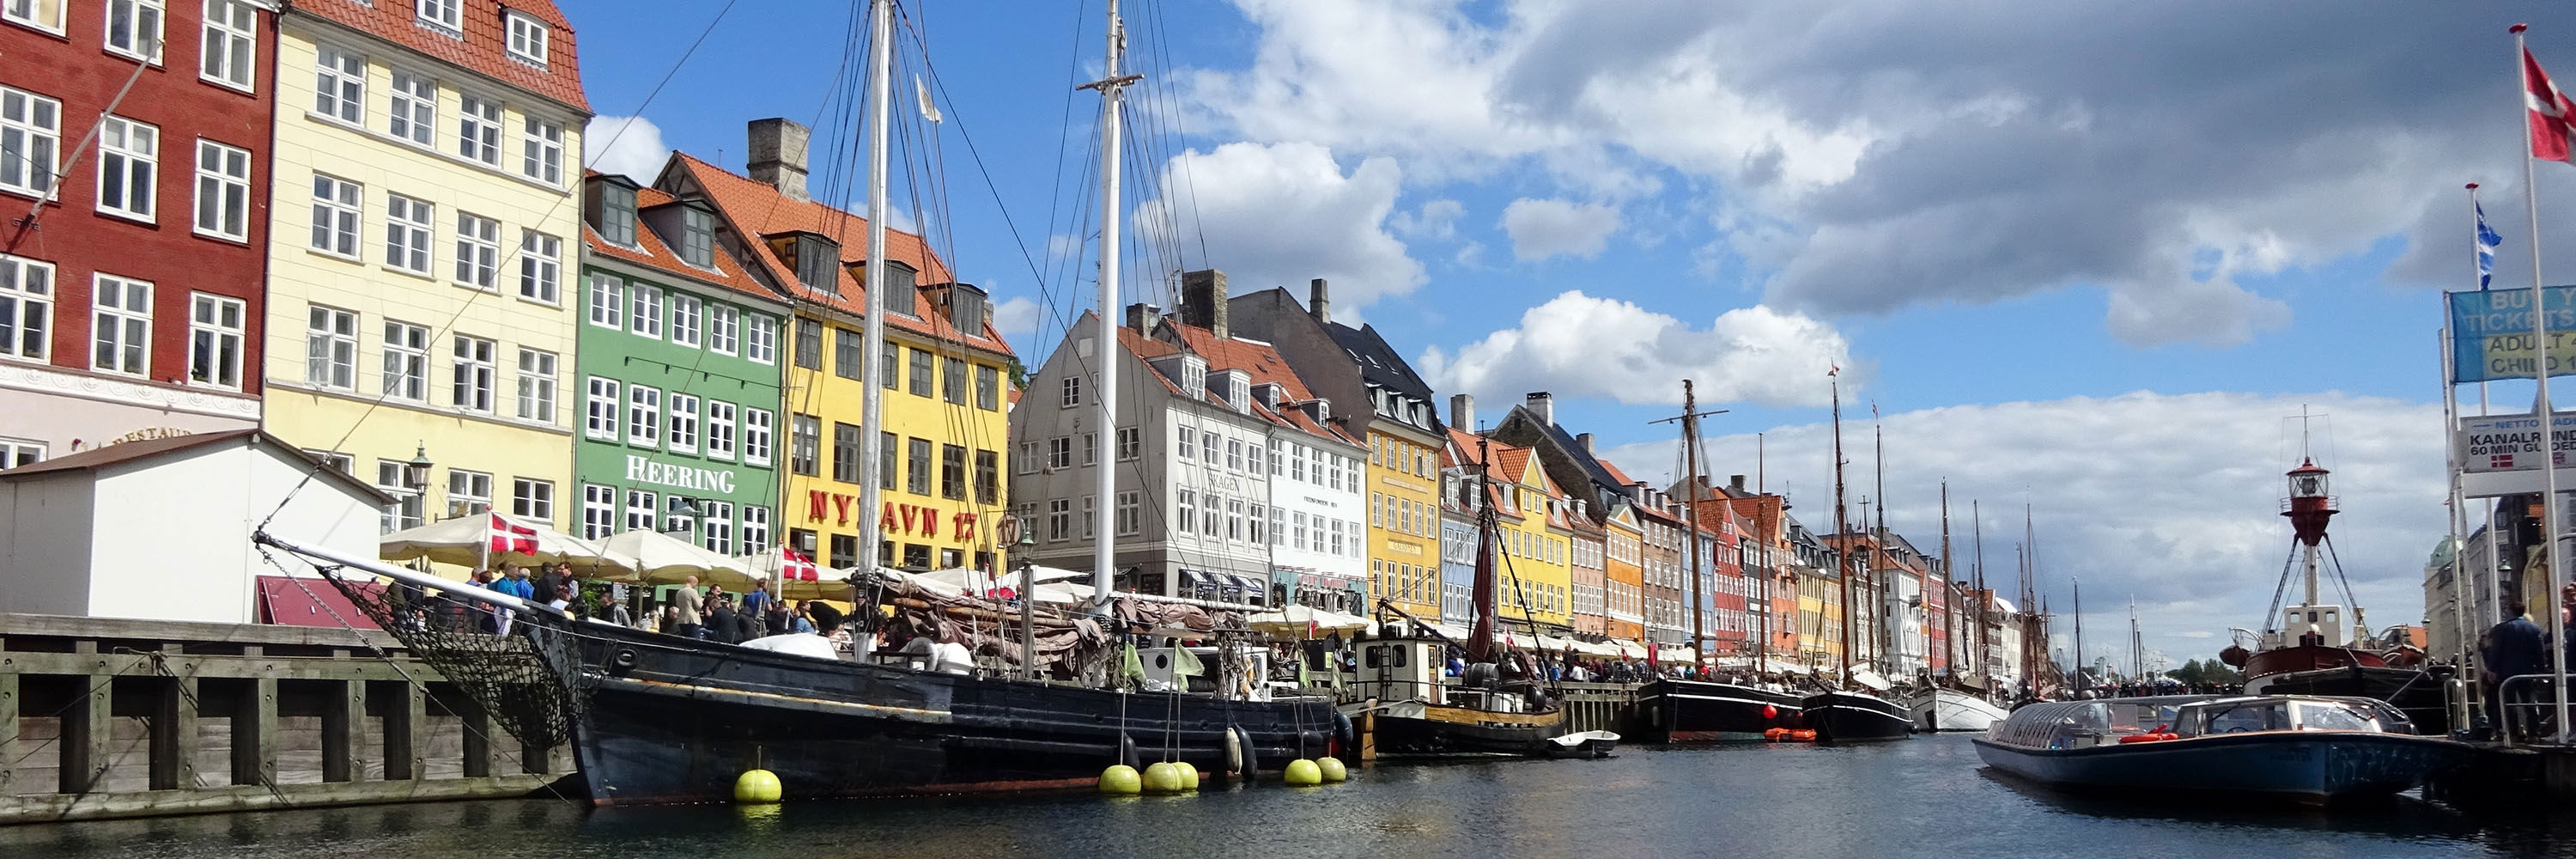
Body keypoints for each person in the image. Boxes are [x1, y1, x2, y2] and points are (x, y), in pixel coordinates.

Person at [2482, 600, 2547, 740]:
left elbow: (2496, 651)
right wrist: (2541, 668)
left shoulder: (2502, 629)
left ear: (2510, 612)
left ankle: (2513, 733)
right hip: (2527, 670)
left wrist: (2492, 669)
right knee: (2529, 702)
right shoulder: (2534, 628)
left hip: (2507, 671)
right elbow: (2539, 651)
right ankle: (2533, 733)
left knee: (2509, 704)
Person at [741, 603, 847, 660]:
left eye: (798, 610)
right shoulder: (808, 617)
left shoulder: (801, 620)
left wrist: (829, 627)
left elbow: (799, 632)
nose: (796, 612)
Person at [672, 576, 705, 640]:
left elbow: (678, 604)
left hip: (681, 619)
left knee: (685, 640)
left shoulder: (679, 592)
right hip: (691, 619)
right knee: (694, 641)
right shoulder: (693, 591)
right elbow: (699, 606)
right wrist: (701, 600)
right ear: (694, 582)